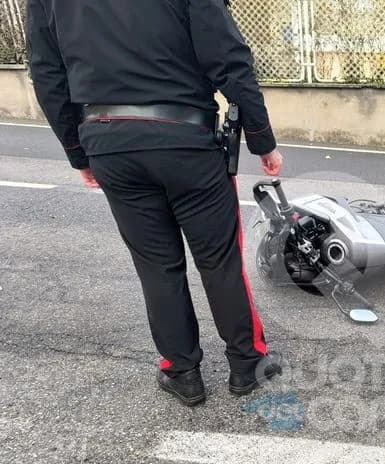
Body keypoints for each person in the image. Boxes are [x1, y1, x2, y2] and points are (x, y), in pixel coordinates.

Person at [26, 0, 284, 406]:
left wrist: (78, 152)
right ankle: (246, 363)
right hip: (186, 137)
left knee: (156, 265)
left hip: (109, 140)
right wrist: (261, 137)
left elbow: (47, 73)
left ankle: (182, 371)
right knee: (219, 260)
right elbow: (227, 56)